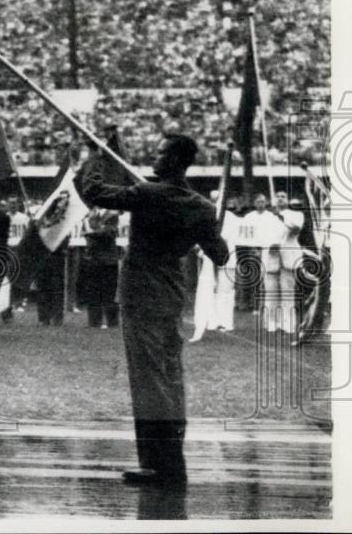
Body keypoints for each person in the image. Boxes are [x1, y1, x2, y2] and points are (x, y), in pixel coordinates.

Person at [75, 133, 228, 488]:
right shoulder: (200, 207)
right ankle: (169, 462)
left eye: (160, 154)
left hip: (141, 296)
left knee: (148, 381)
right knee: (169, 379)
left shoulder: (147, 194)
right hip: (170, 297)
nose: (154, 158)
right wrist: (212, 227)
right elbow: (220, 255)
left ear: (175, 160)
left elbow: (94, 192)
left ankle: (161, 467)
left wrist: (94, 158)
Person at [189, 191, 242, 341]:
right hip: (210, 256)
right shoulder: (206, 215)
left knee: (225, 290)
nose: (215, 202)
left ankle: (225, 322)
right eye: (213, 200)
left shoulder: (232, 219)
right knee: (207, 287)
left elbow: (229, 237)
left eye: (218, 200)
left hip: (228, 256)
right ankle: (211, 320)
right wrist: (200, 245)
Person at [237, 193, 285, 322]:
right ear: (254, 203)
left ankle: (264, 305)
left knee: (265, 279)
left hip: (267, 250)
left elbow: (277, 232)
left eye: (263, 202)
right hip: (252, 250)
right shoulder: (249, 217)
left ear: (266, 203)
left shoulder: (271, 217)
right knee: (253, 278)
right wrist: (253, 249)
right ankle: (251, 304)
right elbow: (245, 235)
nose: (261, 204)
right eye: (258, 202)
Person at [80, 207, 120, 328]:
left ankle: (112, 322)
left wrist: (89, 233)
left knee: (109, 293)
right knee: (93, 292)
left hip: (108, 260)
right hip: (93, 259)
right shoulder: (92, 216)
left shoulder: (112, 215)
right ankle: (94, 322)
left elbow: (108, 233)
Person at [272, 191, 305, 336]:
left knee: (288, 292)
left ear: (287, 200)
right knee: (273, 292)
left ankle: (289, 324)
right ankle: (276, 322)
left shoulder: (295, 214)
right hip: (273, 257)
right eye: (278, 197)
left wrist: (282, 218)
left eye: (283, 197)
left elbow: (297, 228)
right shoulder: (270, 216)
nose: (280, 199)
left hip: (289, 257)